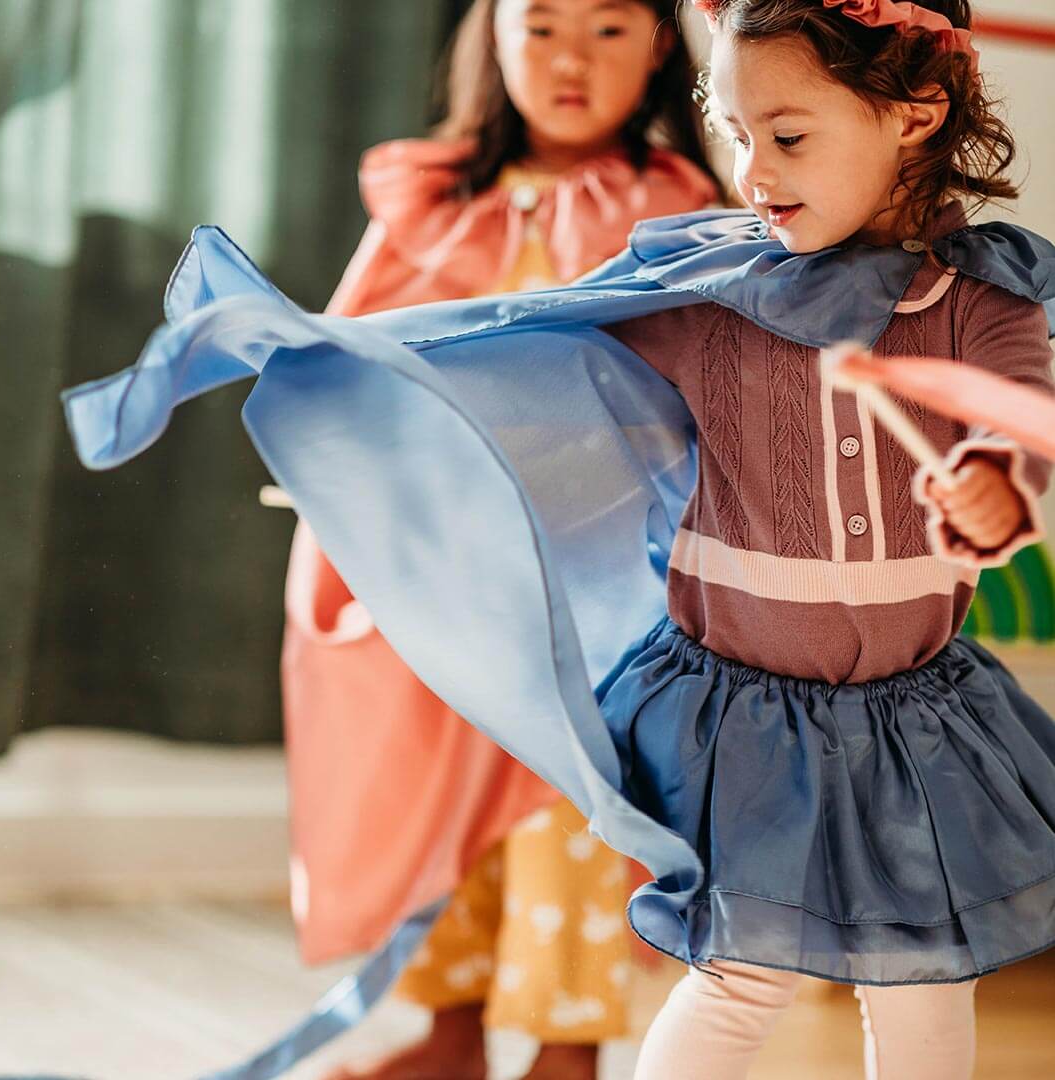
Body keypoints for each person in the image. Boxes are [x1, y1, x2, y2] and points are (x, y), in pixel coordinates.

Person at [62, 1, 1055, 1077]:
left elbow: (1017, 418)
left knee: (923, 979)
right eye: (733, 134)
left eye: (790, 136)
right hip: (752, 721)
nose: (754, 173)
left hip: (915, 718)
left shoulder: (982, 299)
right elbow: (518, 344)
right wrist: (312, 351)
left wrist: (999, 484)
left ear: (917, 114)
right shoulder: (712, 292)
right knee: (740, 975)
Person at [282, 2, 719, 1077]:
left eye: (610, 29)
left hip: (590, 572)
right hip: (440, 569)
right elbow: (351, 355)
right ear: (494, 37)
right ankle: (451, 1026)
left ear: (662, 46)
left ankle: (567, 1045)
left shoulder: (677, 210)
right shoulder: (431, 203)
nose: (572, 59)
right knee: (434, 789)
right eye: (543, 27)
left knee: (569, 796)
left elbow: (692, 384)